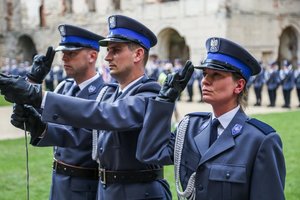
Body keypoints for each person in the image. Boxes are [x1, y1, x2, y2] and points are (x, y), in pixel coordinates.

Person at [0, 15, 176, 200]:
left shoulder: (150, 93)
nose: (107, 57)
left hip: (139, 194)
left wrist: (37, 95)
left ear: (138, 54)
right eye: (108, 50)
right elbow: (85, 137)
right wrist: (40, 127)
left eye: (115, 50)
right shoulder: (111, 94)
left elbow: (107, 114)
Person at [136, 37, 286, 200]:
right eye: (205, 74)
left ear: (239, 85)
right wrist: (164, 102)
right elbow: (149, 153)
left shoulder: (259, 140)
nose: (205, 81)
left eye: (216, 75)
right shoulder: (190, 127)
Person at [13, 24, 109, 200]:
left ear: (92, 56)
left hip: (85, 186)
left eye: (71, 53)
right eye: (63, 53)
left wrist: (40, 127)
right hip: (59, 181)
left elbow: (81, 138)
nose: (64, 58)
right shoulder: (64, 87)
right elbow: (28, 114)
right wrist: (33, 81)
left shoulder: (104, 94)